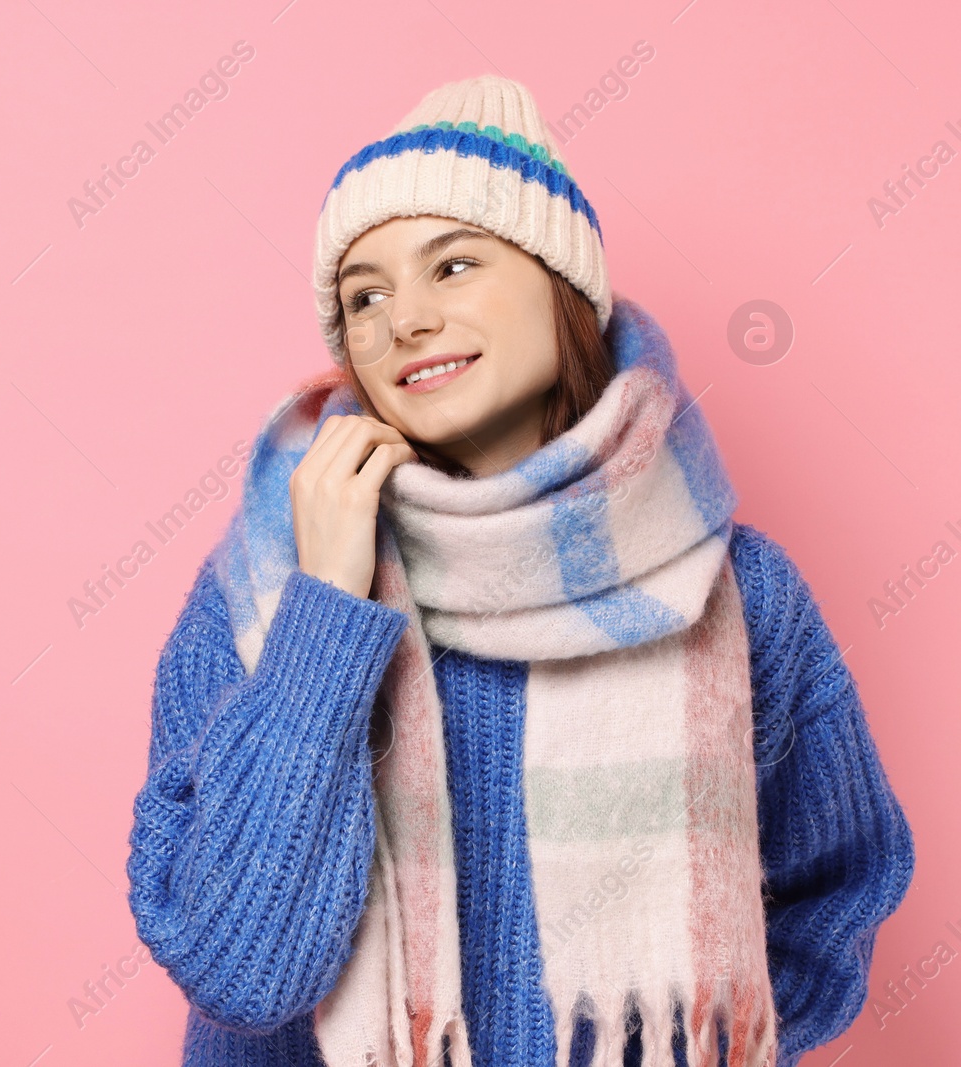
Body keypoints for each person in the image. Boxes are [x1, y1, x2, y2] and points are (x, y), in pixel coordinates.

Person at [124, 74, 915, 1067]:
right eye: (364, 295)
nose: (402, 320)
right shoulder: (263, 585)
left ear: (562, 287)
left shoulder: (733, 592)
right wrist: (326, 606)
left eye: (451, 265)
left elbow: (838, 882)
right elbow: (244, 968)